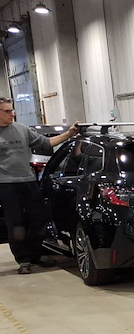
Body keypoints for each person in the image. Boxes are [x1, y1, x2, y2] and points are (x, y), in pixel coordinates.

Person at [0, 98, 80, 274]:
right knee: (16, 224)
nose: (12, 114)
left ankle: (35, 255)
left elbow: (46, 143)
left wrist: (69, 134)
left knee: (40, 219)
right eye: (7, 111)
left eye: (12, 110)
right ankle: (23, 260)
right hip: (6, 184)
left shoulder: (21, 129)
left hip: (28, 181)